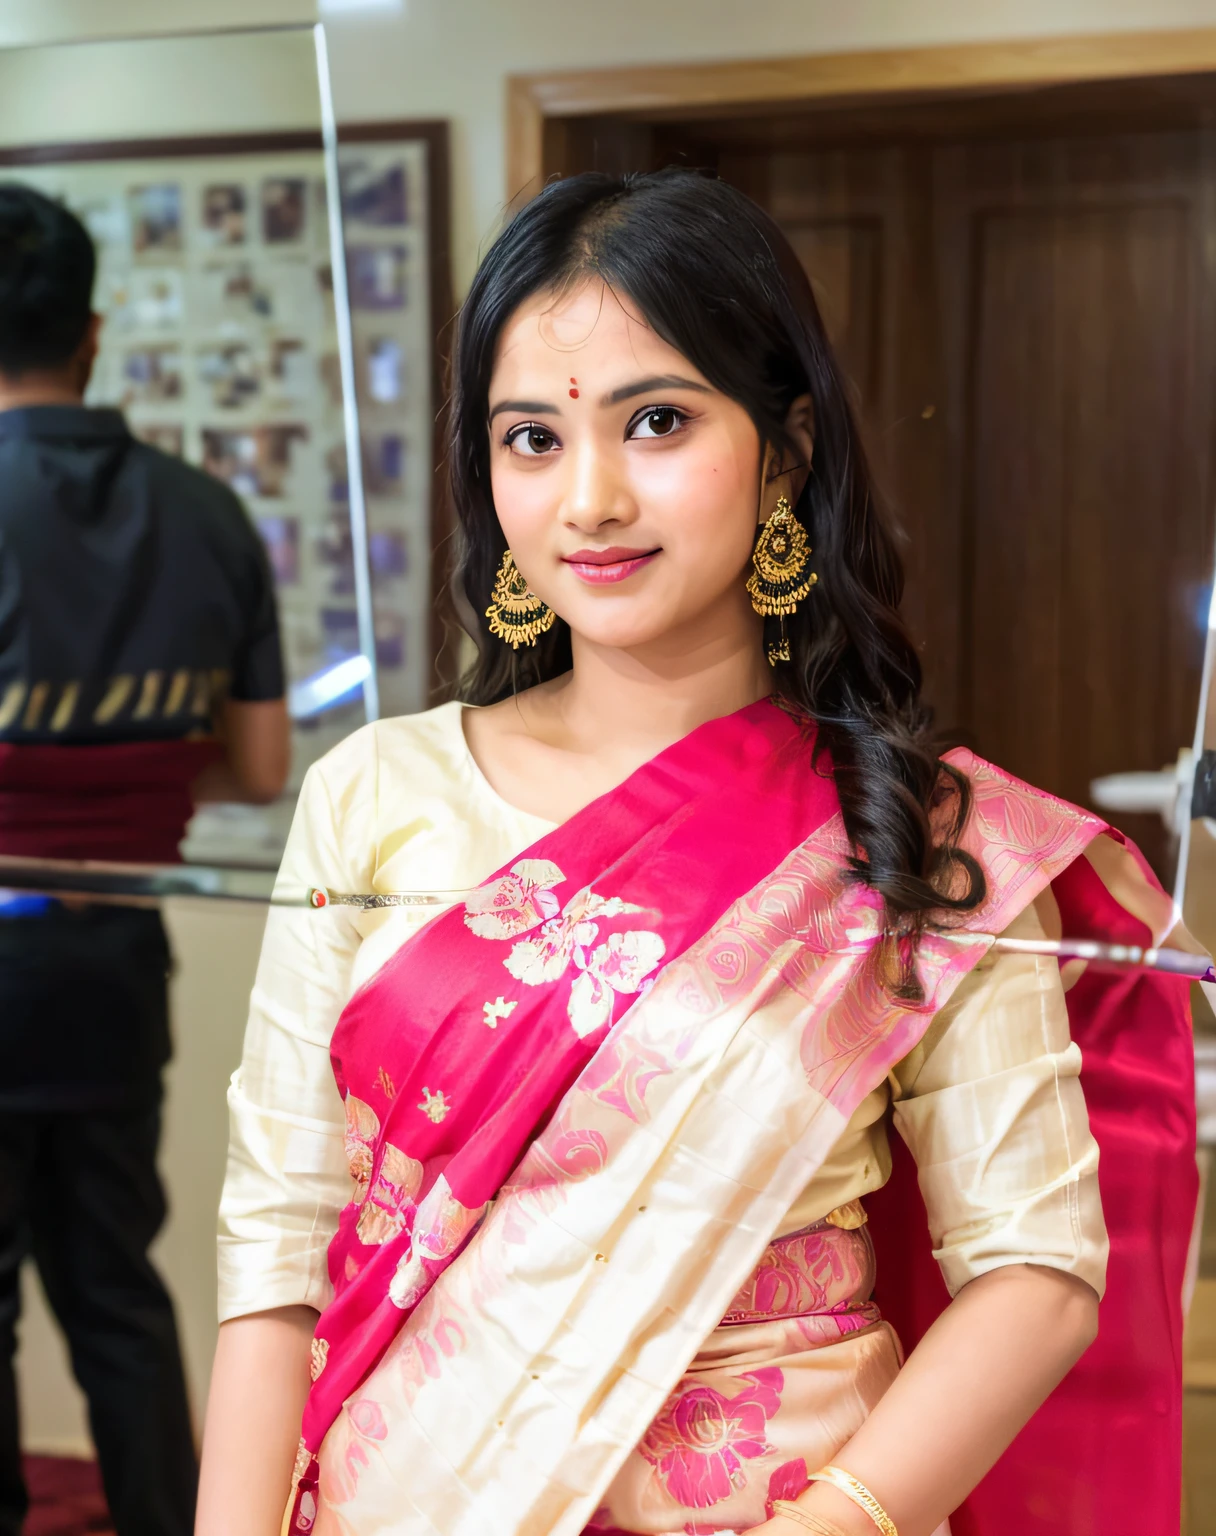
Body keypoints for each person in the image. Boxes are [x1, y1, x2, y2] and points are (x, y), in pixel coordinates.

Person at [196, 170, 1196, 1536]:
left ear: (785, 451)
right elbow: (278, 1250)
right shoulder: (380, 791)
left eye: (654, 422)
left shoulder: (922, 834)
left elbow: (1036, 1265)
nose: (591, 498)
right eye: (531, 438)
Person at [0, 183, 290, 1536]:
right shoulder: (209, 511)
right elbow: (260, 768)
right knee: (117, 1279)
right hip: (118, 958)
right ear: (96, 330)